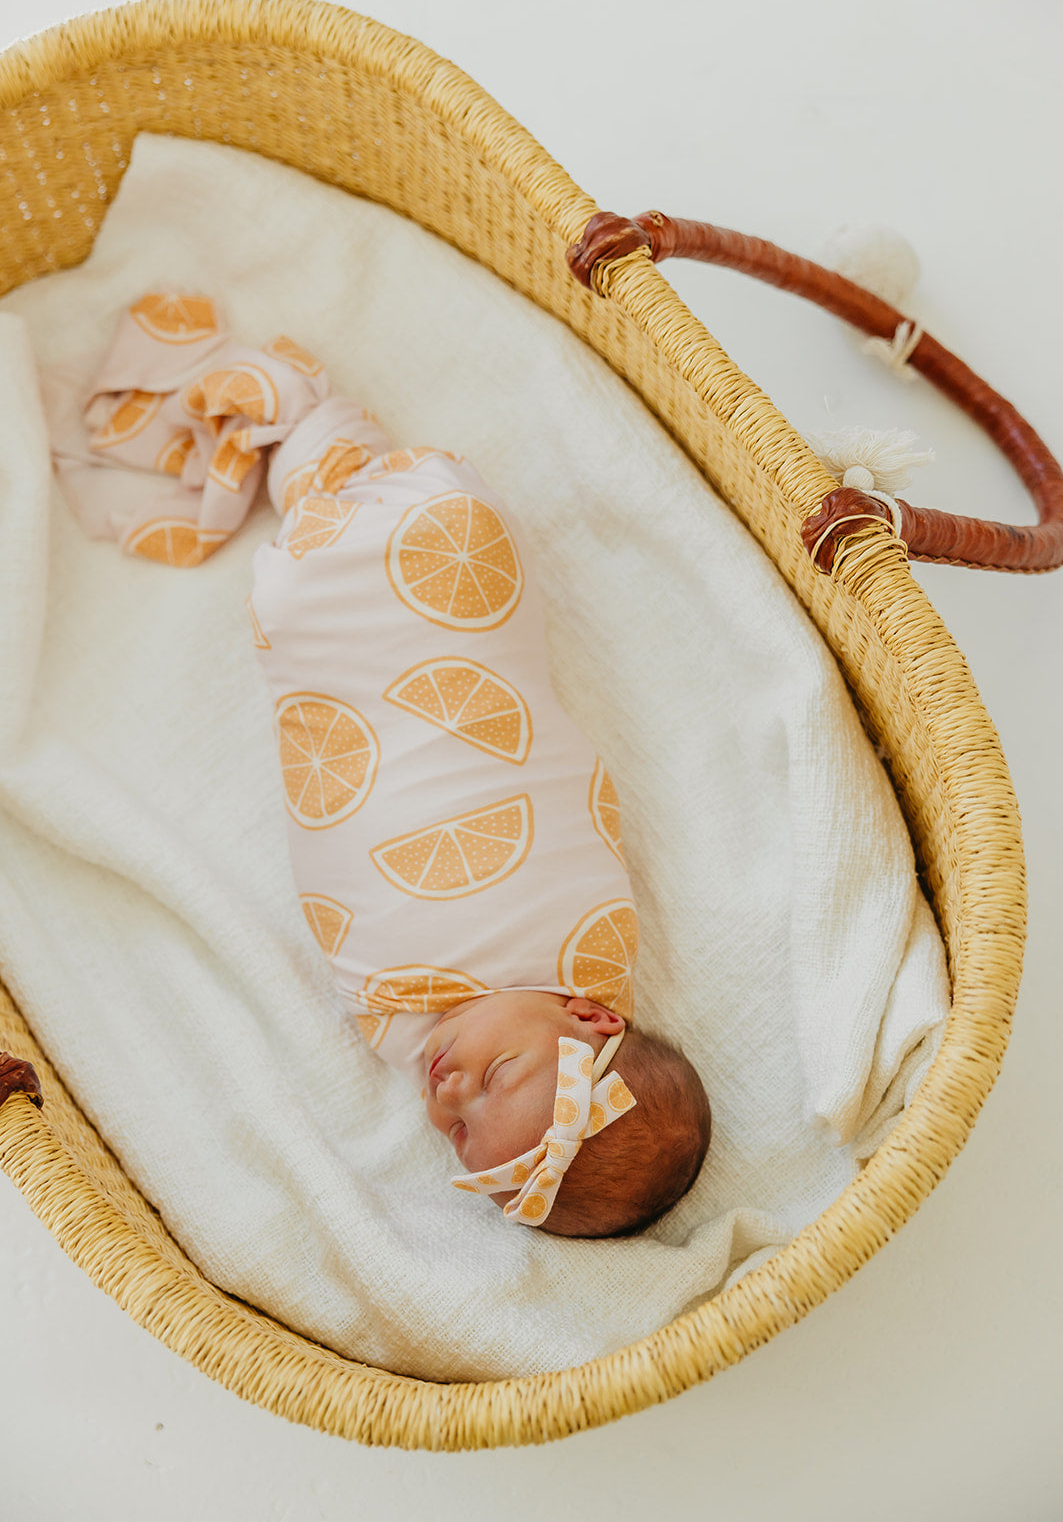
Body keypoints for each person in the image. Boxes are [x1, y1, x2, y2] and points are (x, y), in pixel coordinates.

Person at [64, 294, 712, 1236]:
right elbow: (551, 785)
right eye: (498, 1077)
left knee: (302, 606)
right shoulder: (585, 945)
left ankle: (300, 455)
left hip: (345, 712)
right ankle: (309, 436)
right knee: (410, 559)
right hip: (445, 623)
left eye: (459, 1136)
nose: (449, 1094)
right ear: (593, 1018)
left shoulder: (404, 1029)